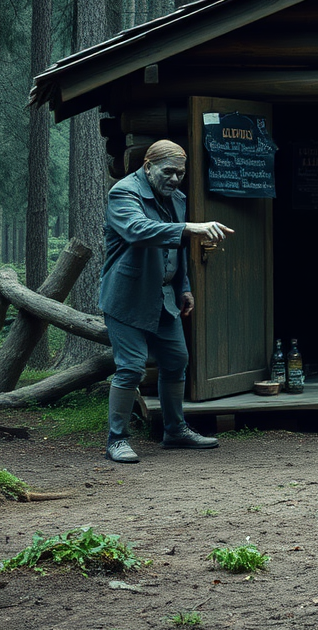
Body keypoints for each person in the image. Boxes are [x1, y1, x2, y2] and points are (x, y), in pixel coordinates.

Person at [100, 139, 235, 463]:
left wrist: (184, 287)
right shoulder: (123, 193)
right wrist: (192, 227)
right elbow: (138, 230)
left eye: (180, 174)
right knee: (131, 367)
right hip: (127, 297)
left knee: (176, 360)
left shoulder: (177, 198)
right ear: (148, 167)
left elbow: (179, 249)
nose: (175, 179)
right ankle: (116, 440)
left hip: (164, 298)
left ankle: (174, 431)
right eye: (169, 172)